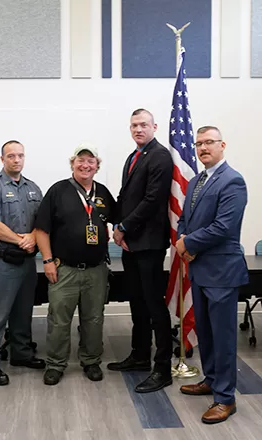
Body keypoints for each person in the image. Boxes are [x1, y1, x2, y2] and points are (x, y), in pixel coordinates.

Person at [176, 126, 248, 424]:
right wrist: (183, 241)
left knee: (223, 337)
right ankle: (212, 379)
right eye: (199, 143)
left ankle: (225, 398)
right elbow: (184, 220)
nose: (203, 148)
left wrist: (188, 244)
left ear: (222, 145)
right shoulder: (195, 182)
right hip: (200, 270)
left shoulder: (233, 181)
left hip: (222, 271)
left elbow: (224, 227)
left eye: (209, 142)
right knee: (205, 332)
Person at [35, 143, 117, 386]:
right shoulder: (58, 191)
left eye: (91, 161)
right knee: (59, 320)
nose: (85, 165)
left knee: (93, 319)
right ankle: (55, 364)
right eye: (81, 160)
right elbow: (41, 230)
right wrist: (48, 261)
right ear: (72, 164)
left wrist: (115, 231)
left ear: (97, 166)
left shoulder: (102, 192)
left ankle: (91, 361)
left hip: (97, 270)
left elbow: (117, 219)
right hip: (65, 270)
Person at [107, 109, 174, 393]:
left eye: (143, 124)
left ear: (154, 127)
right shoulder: (133, 157)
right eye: (134, 125)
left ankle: (162, 368)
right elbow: (126, 197)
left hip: (149, 243)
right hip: (132, 243)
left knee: (153, 305)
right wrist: (112, 222)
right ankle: (139, 355)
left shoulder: (159, 156)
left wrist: (122, 226)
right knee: (136, 300)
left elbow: (151, 200)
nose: (138, 129)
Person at [0, 140, 45, 386]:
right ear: (2, 159)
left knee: (23, 311)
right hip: (3, 260)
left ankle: (22, 354)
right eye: (11, 156)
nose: (16, 160)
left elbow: (42, 221)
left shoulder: (33, 188)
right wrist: (21, 240)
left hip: (27, 261)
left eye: (20, 155)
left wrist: (33, 238)